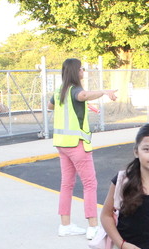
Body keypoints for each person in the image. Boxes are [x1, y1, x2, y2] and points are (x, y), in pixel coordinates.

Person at [51, 57, 118, 239]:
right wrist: (104, 91)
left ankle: (65, 225)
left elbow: (51, 106)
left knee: (67, 184)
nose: (83, 72)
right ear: (75, 71)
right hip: (77, 144)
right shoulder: (76, 90)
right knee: (90, 184)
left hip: (62, 144)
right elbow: (83, 96)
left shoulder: (59, 92)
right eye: (81, 69)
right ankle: (92, 226)